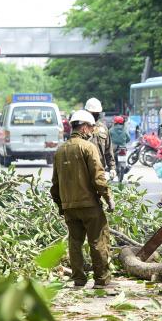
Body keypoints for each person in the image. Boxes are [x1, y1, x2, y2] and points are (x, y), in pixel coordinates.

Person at [50, 110, 115, 289]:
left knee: (75, 243)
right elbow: (98, 177)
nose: (92, 131)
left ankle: (79, 279)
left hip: (69, 206)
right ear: (84, 127)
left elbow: (54, 183)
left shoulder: (60, 150)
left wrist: (61, 205)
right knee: (98, 241)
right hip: (89, 205)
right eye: (91, 128)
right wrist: (108, 198)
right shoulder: (88, 147)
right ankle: (101, 280)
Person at [85, 97, 116, 180]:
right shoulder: (81, 128)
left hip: (100, 170)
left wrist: (112, 168)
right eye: (93, 112)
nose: (95, 114)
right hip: (84, 170)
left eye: (97, 113)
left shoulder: (103, 128)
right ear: (87, 112)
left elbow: (108, 150)